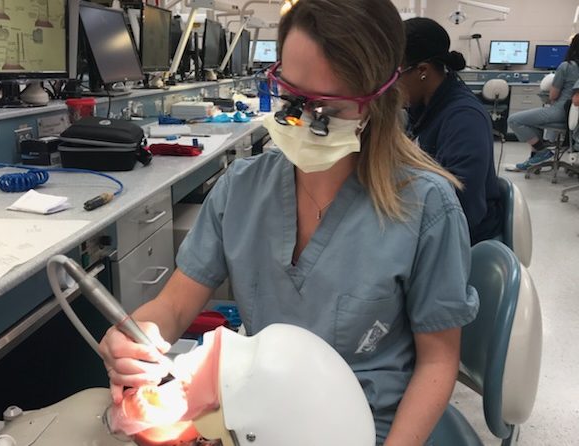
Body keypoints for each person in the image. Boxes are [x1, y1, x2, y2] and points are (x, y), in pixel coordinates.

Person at [99, 1, 479, 444]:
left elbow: (437, 362)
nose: (298, 120)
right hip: (259, 414)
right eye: (290, 96)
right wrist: (142, 335)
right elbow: (177, 305)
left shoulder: (425, 208)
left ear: (377, 100)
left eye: (327, 110)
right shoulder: (242, 189)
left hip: (364, 425)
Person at [399, 17, 502, 246]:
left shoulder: (464, 118)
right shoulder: (423, 108)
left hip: (466, 237)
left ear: (422, 70)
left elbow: (464, 204)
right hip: (432, 219)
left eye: (394, 75)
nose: (389, 86)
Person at [508, 34, 579, 171]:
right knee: (534, 123)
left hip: (560, 112)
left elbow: (553, 95)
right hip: (574, 117)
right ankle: (535, 160)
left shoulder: (566, 66)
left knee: (514, 120)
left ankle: (541, 152)